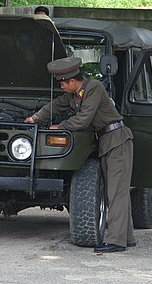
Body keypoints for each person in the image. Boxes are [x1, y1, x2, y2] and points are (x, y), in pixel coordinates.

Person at [25, 56, 135, 253]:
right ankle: (126, 236)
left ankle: (116, 241)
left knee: (116, 191)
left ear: (73, 81)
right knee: (116, 189)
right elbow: (56, 106)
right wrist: (34, 118)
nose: (62, 87)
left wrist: (60, 126)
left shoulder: (94, 88)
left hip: (117, 139)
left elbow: (83, 119)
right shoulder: (75, 94)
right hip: (107, 139)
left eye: (63, 83)